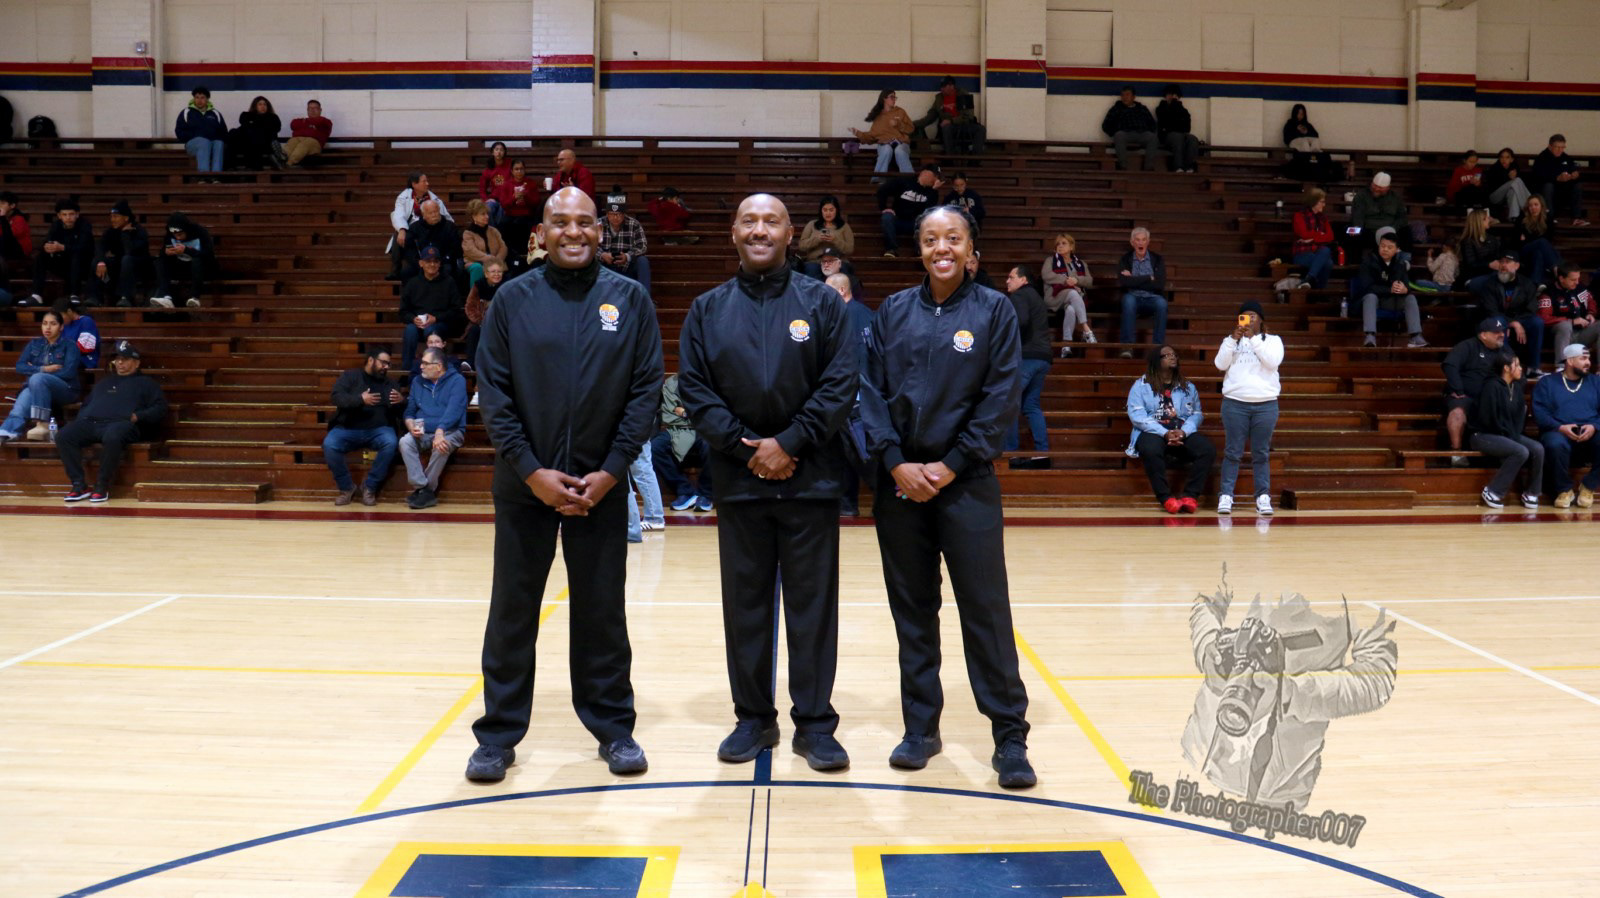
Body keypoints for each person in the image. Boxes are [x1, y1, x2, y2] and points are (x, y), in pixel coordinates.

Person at [466, 186, 663, 783]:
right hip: (524, 485)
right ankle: (498, 735)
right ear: (541, 233)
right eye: (561, 222)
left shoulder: (629, 299)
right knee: (512, 610)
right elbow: (494, 393)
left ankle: (613, 728)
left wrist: (612, 470)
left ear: (600, 231)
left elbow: (645, 390)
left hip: (599, 486)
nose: (573, 231)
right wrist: (531, 471)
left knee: (603, 612)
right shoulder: (512, 299)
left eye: (584, 222)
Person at [678, 193, 857, 772]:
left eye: (771, 221)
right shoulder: (707, 309)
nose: (760, 230)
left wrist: (791, 442)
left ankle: (815, 724)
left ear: (789, 234)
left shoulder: (822, 303)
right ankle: (753, 718)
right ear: (733, 232)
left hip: (811, 481)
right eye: (749, 221)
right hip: (740, 482)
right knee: (746, 608)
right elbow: (695, 389)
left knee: (813, 609)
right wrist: (744, 447)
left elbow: (840, 382)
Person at [859, 204, 1036, 788]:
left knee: (985, 611)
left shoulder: (994, 311)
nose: (942, 248)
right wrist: (894, 460)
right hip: (901, 486)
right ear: (920, 248)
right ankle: (920, 728)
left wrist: (951, 464)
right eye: (931, 238)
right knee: (913, 613)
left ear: (970, 249)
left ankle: (1009, 736)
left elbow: (1000, 397)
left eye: (952, 238)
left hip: (968, 485)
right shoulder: (893, 311)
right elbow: (869, 391)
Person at [54, 339, 167, 503]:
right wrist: (83, 419)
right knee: (64, 435)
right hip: (92, 422)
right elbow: (87, 404)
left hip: (121, 424)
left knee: (113, 436)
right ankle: (79, 485)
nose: (120, 363)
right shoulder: (104, 382)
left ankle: (102, 486)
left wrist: (138, 416)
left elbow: (160, 408)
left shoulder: (147, 383)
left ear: (136, 363)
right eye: (117, 359)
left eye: (125, 359)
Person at [1214, 301, 1283, 516]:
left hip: (1266, 403)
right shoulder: (1230, 341)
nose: (1249, 319)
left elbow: (1272, 362)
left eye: (1253, 315)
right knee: (1233, 452)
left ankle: (1262, 496)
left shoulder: (1273, 340)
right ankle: (1226, 495)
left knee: (1261, 452)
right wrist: (1232, 340)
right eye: (1245, 315)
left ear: (1261, 319)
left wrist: (1253, 339)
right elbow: (1220, 364)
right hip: (1235, 402)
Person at [1127, 344, 1215, 513]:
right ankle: (1165, 498)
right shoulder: (1141, 386)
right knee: (1150, 449)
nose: (1172, 357)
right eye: (1166, 355)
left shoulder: (1187, 386)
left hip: (1181, 430)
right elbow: (1137, 416)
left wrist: (1184, 432)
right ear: (1156, 361)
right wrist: (1165, 433)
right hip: (1153, 431)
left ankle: (1190, 496)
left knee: (1207, 450)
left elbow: (1196, 414)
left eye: (1174, 354)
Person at [323, 346, 403, 506]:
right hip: (347, 428)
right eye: (383, 363)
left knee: (391, 442)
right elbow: (337, 398)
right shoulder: (350, 377)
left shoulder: (391, 383)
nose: (386, 367)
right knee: (329, 444)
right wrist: (360, 399)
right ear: (371, 360)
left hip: (379, 430)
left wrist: (402, 401)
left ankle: (370, 486)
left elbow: (399, 412)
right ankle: (347, 488)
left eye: (388, 364)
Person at [1471, 350, 1541, 509]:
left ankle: (1532, 492)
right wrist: (1509, 436)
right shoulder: (1491, 386)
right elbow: (1487, 419)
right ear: (1506, 368)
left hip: (1507, 434)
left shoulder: (1516, 388)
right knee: (1520, 451)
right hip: (1483, 434)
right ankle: (1493, 491)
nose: (1521, 368)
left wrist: (1512, 435)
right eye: (1517, 365)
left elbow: (1519, 417)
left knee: (1538, 448)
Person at [400, 347, 468, 509]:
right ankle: (423, 488)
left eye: (425, 363)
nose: (421, 366)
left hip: (451, 430)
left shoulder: (457, 380)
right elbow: (410, 411)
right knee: (405, 442)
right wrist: (410, 425)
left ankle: (425, 491)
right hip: (423, 431)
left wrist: (440, 432)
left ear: (438, 366)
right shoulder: (417, 381)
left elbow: (454, 411)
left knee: (441, 446)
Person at [1533, 344, 1600, 507]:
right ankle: (1564, 490)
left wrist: (1594, 426)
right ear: (1569, 361)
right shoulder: (1547, 383)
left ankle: (1589, 486)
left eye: (1589, 358)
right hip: (1558, 431)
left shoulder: (1596, 382)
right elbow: (1540, 413)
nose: (1588, 362)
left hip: (1591, 432)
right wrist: (1560, 427)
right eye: (1583, 358)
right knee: (1554, 443)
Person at [0, 309, 81, 443]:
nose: (48, 327)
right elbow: (20, 366)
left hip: (66, 389)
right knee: (22, 403)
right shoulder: (34, 344)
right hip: (37, 387)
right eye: (44, 323)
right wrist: (43, 369)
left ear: (61, 327)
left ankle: (42, 424)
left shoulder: (70, 345)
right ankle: (8, 431)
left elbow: (68, 372)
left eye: (53, 324)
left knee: (37, 379)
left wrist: (38, 374)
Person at [1442, 317, 1509, 466]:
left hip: (1491, 398)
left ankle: (1505, 451)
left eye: (1502, 331)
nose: (1501, 335)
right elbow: (1450, 365)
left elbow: (1515, 370)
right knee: (1457, 412)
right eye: (1496, 332)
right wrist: (1458, 389)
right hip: (1465, 396)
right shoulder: (1467, 346)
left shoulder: (1504, 351)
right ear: (1483, 335)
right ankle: (1456, 453)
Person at [1467, 254, 1542, 375]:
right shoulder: (1490, 283)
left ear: (1517, 266)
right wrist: (1512, 323)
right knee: (1498, 322)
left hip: (1520, 318)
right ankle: (1507, 364)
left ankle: (1533, 367)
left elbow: (1532, 308)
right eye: (1501, 262)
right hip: (1498, 318)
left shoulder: (1526, 283)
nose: (1503, 265)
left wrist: (1517, 322)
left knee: (1537, 322)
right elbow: (1490, 310)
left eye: (1508, 262)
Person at [1003, 265, 1050, 453]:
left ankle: (1010, 453)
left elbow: (1020, 321)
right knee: (1031, 406)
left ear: (1023, 280)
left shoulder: (1020, 295)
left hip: (1027, 357)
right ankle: (1042, 454)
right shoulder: (1036, 296)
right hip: (1043, 357)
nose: (1007, 281)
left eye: (1011, 277)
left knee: (1008, 403)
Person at [653, 373, 714, 512]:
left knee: (711, 445)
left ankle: (706, 494)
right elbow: (669, 414)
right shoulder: (671, 383)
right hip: (676, 429)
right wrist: (691, 414)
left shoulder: (709, 379)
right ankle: (685, 491)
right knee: (654, 448)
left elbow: (710, 412)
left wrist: (683, 412)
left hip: (705, 428)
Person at [1355, 233, 1427, 348]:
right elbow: (1366, 287)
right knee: (1370, 297)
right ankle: (1370, 336)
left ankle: (1415, 336)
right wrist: (1389, 289)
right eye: (1382, 246)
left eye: (1389, 247)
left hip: (1392, 300)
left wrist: (1404, 289)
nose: (1385, 249)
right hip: (1376, 301)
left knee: (1410, 298)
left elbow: (1407, 285)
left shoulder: (1400, 265)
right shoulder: (1368, 263)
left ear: (1397, 250)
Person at [400, 246, 465, 369]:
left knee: (430, 330)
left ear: (440, 264)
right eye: (428, 261)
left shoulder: (449, 282)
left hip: (441, 325)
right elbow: (403, 311)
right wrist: (413, 319)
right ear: (421, 263)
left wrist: (436, 318)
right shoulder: (413, 283)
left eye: (436, 261)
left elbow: (456, 310)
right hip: (418, 325)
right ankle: (406, 370)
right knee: (409, 330)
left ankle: (434, 367)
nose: (432, 264)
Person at [28, 198, 93, 305]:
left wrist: (63, 247)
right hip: (62, 264)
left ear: (77, 214)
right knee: (41, 256)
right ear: (59, 216)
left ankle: (75, 294)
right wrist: (47, 246)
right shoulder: (56, 225)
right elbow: (47, 240)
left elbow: (84, 248)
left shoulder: (85, 226)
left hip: (83, 266)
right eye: (64, 214)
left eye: (71, 214)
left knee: (76, 256)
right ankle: (36, 295)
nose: (68, 217)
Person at [388, 172, 451, 280]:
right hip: (410, 229)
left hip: (429, 228)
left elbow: (446, 216)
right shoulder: (403, 197)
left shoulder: (433, 198)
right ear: (414, 184)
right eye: (424, 181)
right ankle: (396, 269)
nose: (427, 184)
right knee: (398, 235)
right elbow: (398, 214)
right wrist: (402, 229)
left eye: (427, 181)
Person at [88, 200, 150, 308]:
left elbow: (130, 251)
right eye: (111, 217)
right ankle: (96, 297)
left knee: (127, 259)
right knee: (97, 262)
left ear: (126, 218)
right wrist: (101, 262)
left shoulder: (138, 231)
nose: (112, 220)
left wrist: (125, 234)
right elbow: (100, 247)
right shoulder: (111, 231)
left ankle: (125, 297)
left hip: (139, 267)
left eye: (116, 217)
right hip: (118, 268)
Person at [1116, 227, 1167, 355]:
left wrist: (1134, 279)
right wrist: (1148, 278)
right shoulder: (1125, 259)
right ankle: (1127, 347)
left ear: (1148, 242)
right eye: (1137, 240)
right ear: (1132, 242)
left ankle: (1157, 348)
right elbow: (1125, 282)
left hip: (1152, 297)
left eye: (1144, 240)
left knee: (1162, 304)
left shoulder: (1157, 259)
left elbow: (1159, 284)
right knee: (1128, 301)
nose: (1141, 243)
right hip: (1133, 296)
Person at [1041, 232, 1095, 353]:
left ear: (1071, 246)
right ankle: (1086, 328)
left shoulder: (1081, 264)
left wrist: (1077, 280)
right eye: (1058, 244)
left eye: (1064, 243)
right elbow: (1046, 275)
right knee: (1072, 293)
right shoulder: (1050, 261)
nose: (1060, 246)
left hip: (1076, 299)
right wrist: (1066, 281)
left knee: (1071, 309)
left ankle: (1066, 345)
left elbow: (1089, 281)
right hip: (1054, 297)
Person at [876, 164, 941, 257]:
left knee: (925, 220)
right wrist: (884, 208)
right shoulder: (905, 181)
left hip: (915, 224)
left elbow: (929, 211)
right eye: (935, 176)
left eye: (937, 177)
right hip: (898, 220)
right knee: (887, 217)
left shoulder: (932, 192)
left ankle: (920, 251)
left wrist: (933, 190)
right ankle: (891, 249)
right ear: (925, 173)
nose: (936, 180)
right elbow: (882, 190)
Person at [1539, 263, 1600, 362]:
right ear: (1561, 278)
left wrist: (1591, 313)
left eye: (1578, 279)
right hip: (1559, 337)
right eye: (1573, 280)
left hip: (1581, 333)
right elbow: (1544, 318)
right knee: (1565, 326)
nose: (1577, 282)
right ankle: (1561, 366)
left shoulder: (1580, 288)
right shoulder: (1549, 293)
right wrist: (1571, 321)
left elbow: (1590, 301)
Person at [151, 212, 213, 309]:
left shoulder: (200, 232)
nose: (177, 237)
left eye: (180, 234)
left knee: (197, 260)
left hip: (201, 269)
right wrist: (165, 252)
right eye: (175, 235)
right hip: (180, 268)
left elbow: (208, 254)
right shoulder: (169, 235)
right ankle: (166, 296)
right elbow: (165, 250)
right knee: (160, 260)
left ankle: (195, 297)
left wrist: (186, 250)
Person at [851, 89, 915, 177]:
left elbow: (911, 129)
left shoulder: (900, 111)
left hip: (902, 143)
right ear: (884, 99)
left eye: (895, 97)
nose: (894, 99)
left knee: (899, 150)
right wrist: (858, 133)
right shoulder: (878, 116)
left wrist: (899, 124)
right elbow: (872, 136)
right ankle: (877, 180)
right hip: (884, 144)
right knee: (886, 149)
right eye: (892, 97)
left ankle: (910, 179)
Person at [914, 75, 983, 153]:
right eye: (941, 86)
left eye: (944, 86)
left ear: (952, 86)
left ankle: (975, 157)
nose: (941, 89)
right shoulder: (939, 98)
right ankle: (949, 157)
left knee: (981, 129)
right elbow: (930, 117)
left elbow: (968, 117)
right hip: (948, 129)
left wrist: (951, 121)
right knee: (947, 128)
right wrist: (913, 124)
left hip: (964, 127)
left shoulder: (964, 95)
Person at [493, 159, 542, 265]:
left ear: (525, 170)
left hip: (527, 215)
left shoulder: (530, 183)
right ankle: (510, 256)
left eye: (521, 169)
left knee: (525, 224)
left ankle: (526, 255)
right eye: (516, 169)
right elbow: (504, 204)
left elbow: (536, 202)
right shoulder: (506, 185)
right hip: (511, 215)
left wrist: (526, 196)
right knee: (503, 225)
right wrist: (514, 197)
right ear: (512, 171)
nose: (519, 171)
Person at [1532, 134, 1587, 226]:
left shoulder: (1565, 157)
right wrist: (1556, 178)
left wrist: (1575, 174)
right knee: (1548, 186)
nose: (1560, 150)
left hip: (1563, 192)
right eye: (1557, 147)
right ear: (1550, 146)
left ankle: (1577, 218)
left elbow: (1573, 169)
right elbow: (1538, 177)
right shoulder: (1541, 158)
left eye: (1562, 147)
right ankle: (1549, 218)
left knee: (1577, 186)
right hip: (1546, 193)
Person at [406, 199, 465, 284]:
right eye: (430, 213)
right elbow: (409, 249)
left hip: (444, 262)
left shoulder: (449, 226)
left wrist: (440, 262)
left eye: (436, 212)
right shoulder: (414, 228)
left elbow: (455, 248)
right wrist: (419, 262)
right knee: (407, 272)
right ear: (423, 214)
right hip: (421, 263)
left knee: (449, 270)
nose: (434, 215)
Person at [1101, 86, 1159, 171]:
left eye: (1127, 95)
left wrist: (1147, 130)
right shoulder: (1116, 108)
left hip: (1142, 133)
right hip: (1125, 133)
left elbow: (1152, 124)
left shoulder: (1142, 108)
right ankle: (1123, 166)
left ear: (1134, 97)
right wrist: (1116, 131)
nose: (1124, 97)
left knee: (1153, 137)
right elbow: (1105, 125)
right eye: (1123, 95)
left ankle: (1148, 167)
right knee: (1118, 135)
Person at [599, 201, 651, 294]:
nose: (615, 217)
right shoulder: (598, 224)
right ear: (607, 214)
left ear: (624, 215)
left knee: (643, 261)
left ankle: (645, 297)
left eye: (619, 214)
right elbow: (588, 245)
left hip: (627, 266)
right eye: (612, 214)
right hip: (605, 265)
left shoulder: (634, 224)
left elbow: (642, 246)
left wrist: (627, 256)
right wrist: (602, 255)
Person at [1510, 194, 1561, 286]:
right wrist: (1535, 239)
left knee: (1538, 253)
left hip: (1537, 251)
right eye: (1530, 205)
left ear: (1541, 206)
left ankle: (1535, 284)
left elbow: (1549, 239)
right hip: (1524, 251)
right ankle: (1556, 268)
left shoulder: (1548, 219)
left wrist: (1527, 237)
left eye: (1536, 204)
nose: (1533, 207)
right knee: (1541, 242)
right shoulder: (1522, 218)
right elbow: (1517, 240)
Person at [175, 86, 227, 176]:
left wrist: (213, 137)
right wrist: (197, 136)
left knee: (219, 143)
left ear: (207, 99)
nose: (199, 100)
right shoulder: (186, 112)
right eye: (197, 97)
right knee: (204, 142)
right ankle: (203, 176)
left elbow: (223, 132)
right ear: (194, 98)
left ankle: (216, 176)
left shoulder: (215, 113)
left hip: (212, 144)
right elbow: (179, 131)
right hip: (192, 145)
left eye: (202, 97)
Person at [1350, 172, 1410, 251]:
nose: (1376, 189)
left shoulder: (1395, 197)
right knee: (1352, 234)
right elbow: (1358, 215)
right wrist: (1357, 228)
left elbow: (1402, 217)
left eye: (1380, 187)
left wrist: (1393, 228)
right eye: (1375, 186)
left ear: (1388, 187)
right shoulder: (1361, 196)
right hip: (1368, 229)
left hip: (1391, 229)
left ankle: (1404, 257)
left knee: (1406, 231)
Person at [1280, 103, 1338, 182]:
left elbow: (1316, 135)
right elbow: (1286, 138)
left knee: (1316, 141)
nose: (1300, 116)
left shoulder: (1307, 125)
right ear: (1294, 113)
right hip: (1294, 141)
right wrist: (1297, 131)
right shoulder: (1289, 124)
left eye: (1302, 114)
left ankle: (1315, 162)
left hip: (1307, 141)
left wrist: (1306, 132)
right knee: (1304, 142)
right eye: (1298, 113)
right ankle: (1307, 164)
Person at [1291, 187, 1336, 289]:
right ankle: (1319, 291)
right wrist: (1320, 234)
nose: (1324, 205)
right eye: (1322, 202)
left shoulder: (1323, 218)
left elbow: (1330, 236)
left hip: (1319, 252)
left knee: (1325, 251)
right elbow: (1304, 234)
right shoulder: (1299, 216)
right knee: (1328, 263)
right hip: (1302, 253)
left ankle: (1308, 280)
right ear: (1314, 202)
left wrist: (1313, 238)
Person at [463, 258, 505, 365]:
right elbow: (470, 306)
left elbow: (510, 308)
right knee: (473, 331)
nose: (497, 274)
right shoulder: (478, 286)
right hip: (481, 322)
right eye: (493, 271)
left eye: (499, 271)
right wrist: (481, 321)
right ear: (486, 274)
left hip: (499, 324)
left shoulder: (506, 287)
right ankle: (470, 363)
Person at [796, 195, 855, 267]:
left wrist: (835, 240)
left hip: (837, 262)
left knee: (843, 270)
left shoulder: (844, 226)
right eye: (825, 210)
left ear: (836, 210)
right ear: (821, 211)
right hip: (815, 262)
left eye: (831, 210)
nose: (828, 213)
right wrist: (817, 239)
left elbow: (849, 249)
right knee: (811, 270)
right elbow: (802, 246)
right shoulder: (812, 224)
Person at [461, 199, 507, 286]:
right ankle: (476, 294)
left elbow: (503, 247)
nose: (487, 216)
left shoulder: (493, 230)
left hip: (495, 261)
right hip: (475, 262)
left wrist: (497, 260)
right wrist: (489, 259)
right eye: (483, 214)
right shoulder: (468, 233)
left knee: (499, 267)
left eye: (487, 214)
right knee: (478, 268)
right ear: (474, 216)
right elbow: (471, 251)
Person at [227, 96, 281, 170]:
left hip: (264, 143)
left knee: (255, 136)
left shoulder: (273, 117)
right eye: (260, 104)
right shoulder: (247, 115)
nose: (263, 106)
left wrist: (254, 124)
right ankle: (230, 167)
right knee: (233, 132)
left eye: (265, 104)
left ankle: (254, 167)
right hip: (245, 141)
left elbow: (275, 129)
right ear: (255, 106)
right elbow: (245, 125)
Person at [1156, 84, 1200, 173]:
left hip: (1181, 135)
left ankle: (1189, 167)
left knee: (1193, 139)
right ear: (1165, 96)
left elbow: (1187, 128)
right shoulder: (1161, 108)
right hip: (1166, 136)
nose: (1171, 97)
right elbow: (1166, 122)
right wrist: (1173, 104)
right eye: (1169, 94)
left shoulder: (1183, 111)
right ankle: (1177, 167)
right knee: (1177, 137)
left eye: (1174, 95)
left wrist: (1176, 106)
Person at [1482, 148, 1532, 221]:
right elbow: (1494, 186)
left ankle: (1513, 217)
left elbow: (1519, 186)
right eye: (1502, 157)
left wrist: (1513, 178)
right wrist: (1509, 178)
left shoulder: (1514, 168)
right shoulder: (1494, 168)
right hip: (1495, 197)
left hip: (1506, 196)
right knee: (1516, 180)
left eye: (1507, 157)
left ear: (1511, 159)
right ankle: (1530, 205)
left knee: (1513, 191)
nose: (1504, 159)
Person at [283, 99, 332, 167]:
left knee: (305, 143)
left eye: (315, 108)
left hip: (315, 143)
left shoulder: (325, 121)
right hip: (298, 139)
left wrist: (304, 126)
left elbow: (320, 122)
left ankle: (288, 164)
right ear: (307, 110)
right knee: (292, 141)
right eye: (310, 108)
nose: (312, 110)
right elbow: (293, 124)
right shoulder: (300, 121)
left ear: (320, 110)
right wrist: (311, 128)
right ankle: (281, 159)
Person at [0, 191, 32, 294]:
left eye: (2, 203)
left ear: (12, 205)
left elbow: (9, 236)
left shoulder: (19, 219)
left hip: (19, 251)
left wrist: (2, 218)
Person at [1458, 208, 1502, 282]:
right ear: (1479, 222)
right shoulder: (1468, 241)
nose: (1489, 220)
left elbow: (1497, 256)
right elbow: (1470, 264)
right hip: (1474, 277)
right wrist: (1488, 264)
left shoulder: (1492, 238)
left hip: (1491, 274)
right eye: (1486, 219)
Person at [59, 301, 101, 369]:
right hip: (66, 357)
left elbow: (85, 347)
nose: (60, 320)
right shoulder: (64, 325)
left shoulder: (86, 321)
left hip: (85, 359)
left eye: (61, 316)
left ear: (69, 311)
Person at [478, 141, 512, 226]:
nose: (499, 152)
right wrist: (486, 199)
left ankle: (499, 232)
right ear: (492, 152)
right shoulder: (489, 169)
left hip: (508, 198)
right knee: (489, 207)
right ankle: (492, 231)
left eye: (501, 150)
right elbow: (482, 188)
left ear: (504, 152)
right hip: (495, 199)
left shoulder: (510, 165)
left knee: (503, 210)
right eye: (496, 149)